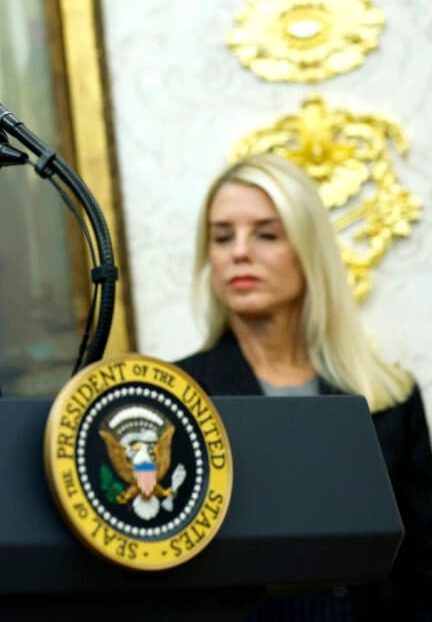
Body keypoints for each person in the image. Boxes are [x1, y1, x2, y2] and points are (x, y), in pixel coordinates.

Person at [176, 153, 432, 620]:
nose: (239, 252)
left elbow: (423, 572)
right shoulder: (177, 398)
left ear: (309, 248)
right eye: (221, 236)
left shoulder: (390, 396)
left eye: (267, 234)